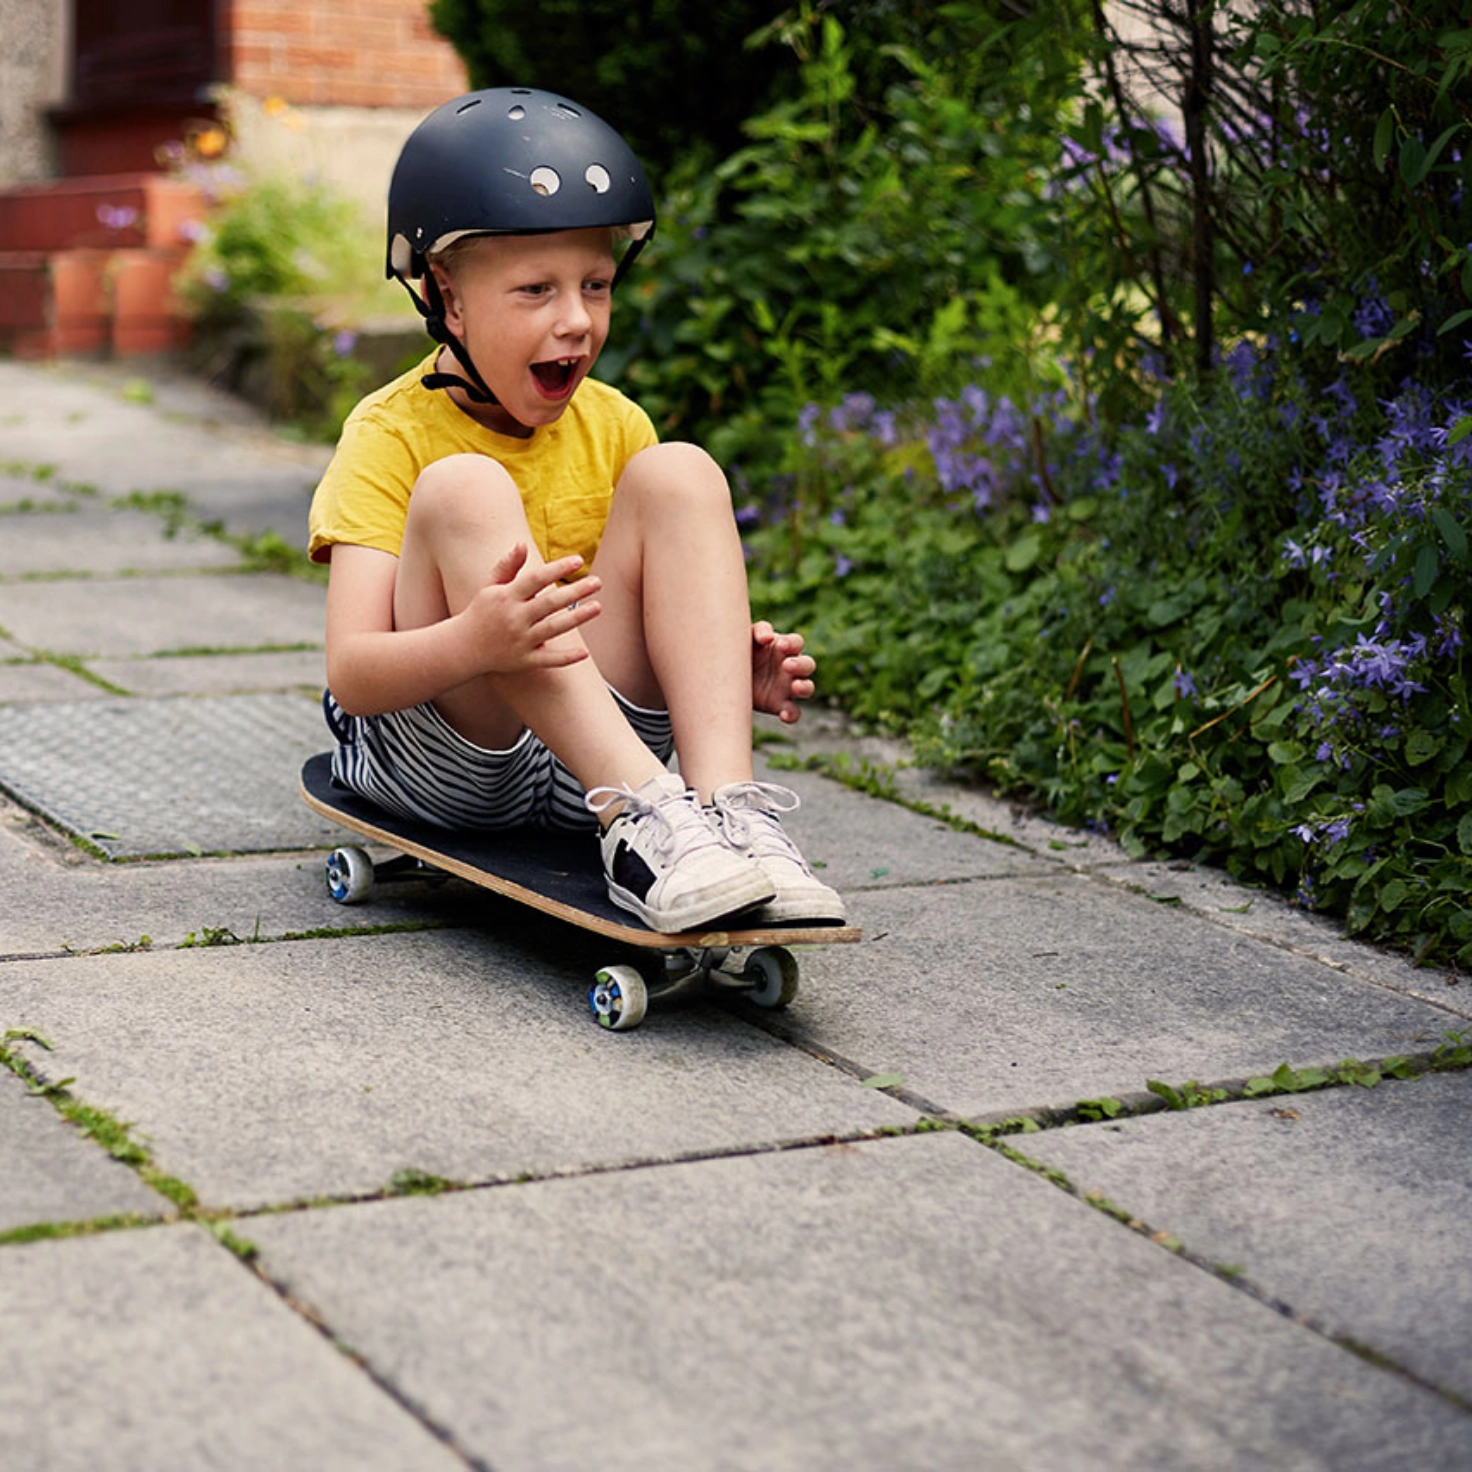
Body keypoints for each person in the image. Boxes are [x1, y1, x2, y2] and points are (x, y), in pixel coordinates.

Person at [307, 86, 846, 934]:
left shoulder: (616, 424)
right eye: (534, 291)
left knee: (682, 471)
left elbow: (633, 610)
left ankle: (726, 821)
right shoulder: (388, 434)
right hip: (451, 756)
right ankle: (645, 822)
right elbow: (354, 674)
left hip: (589, 765)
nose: (575, 321)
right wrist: (474, 641)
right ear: (446, 296)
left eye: (595, 285)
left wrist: (708, 670)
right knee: (466, 485)